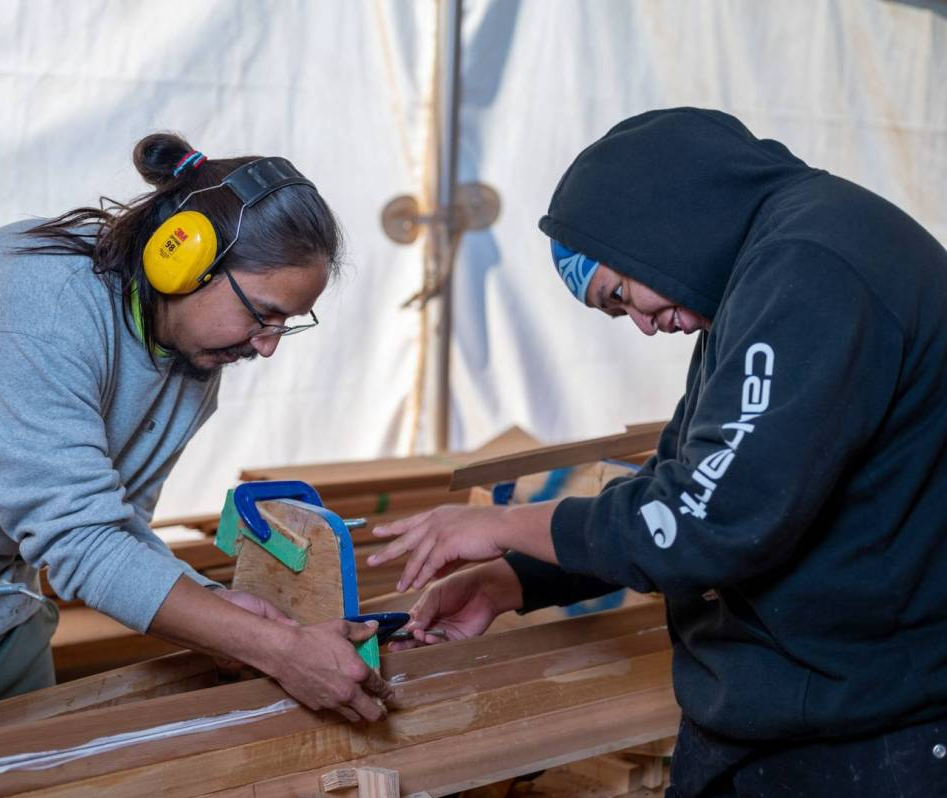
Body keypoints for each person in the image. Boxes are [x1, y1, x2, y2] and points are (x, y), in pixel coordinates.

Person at [366, 108, 947, 796]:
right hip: (800, 715)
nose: (643, 326)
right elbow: (680, 485)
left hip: (860, 735)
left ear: (651, 226)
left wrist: (495, 525)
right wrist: (517, 579)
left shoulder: (811, 269)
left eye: (621, 296)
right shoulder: (771, 270)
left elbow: (702, 522)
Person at [0, 133, 389, 724]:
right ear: (183, 260)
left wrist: (217, 607)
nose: (268, 345)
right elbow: (83, 545)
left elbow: (112, 526)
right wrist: (273, 650)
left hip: (0, 599)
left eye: (288, 324)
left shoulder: (191, 350)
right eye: (263, 314)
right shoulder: (37, 318)